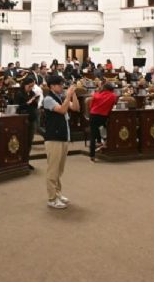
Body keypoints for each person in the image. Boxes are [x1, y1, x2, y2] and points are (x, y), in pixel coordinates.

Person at [42, 75, 79, 209]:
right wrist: (68, 95)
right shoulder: (48, 99)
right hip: (53, 138)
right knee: (53, 170)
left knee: (59, 170)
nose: (62, 87)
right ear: (52, 86)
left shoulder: (61, 97)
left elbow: (76, 108)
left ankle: (57, 194)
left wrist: (73, 94)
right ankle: (52, 199)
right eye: (59, 84)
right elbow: (63, 110)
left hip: (63, 137)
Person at [88, 82, 117, 162]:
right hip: (104, 116)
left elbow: (91, 106)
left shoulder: (96, 94)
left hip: (93, 115)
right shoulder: (113, 96)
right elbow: (112, 106)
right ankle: (103, 142)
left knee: (93, 135)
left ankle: (92, 156)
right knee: (107, 129)